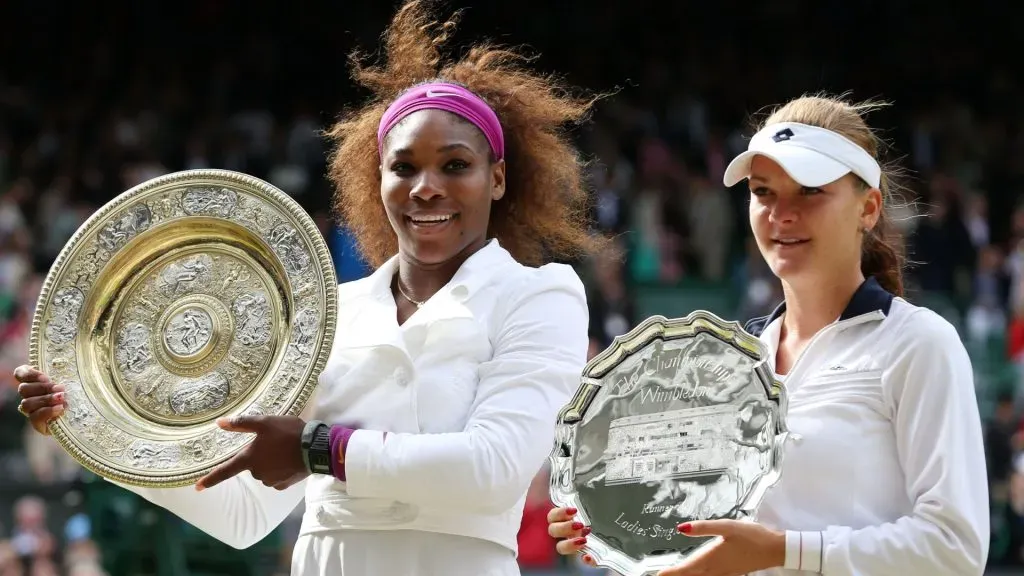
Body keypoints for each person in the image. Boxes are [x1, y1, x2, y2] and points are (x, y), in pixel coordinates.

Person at [13, 1, 606, 574]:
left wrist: (318, 448)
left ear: (497, 179)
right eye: (403, 167)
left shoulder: (541, 293)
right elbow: (244, 513)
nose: (425, 187)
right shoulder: (333, 313)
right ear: (376, 181)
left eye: (455, 165)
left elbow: (494, 468)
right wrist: (100, 434)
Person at [546, 94, 990, 576]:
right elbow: (694, 528)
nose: (782, 213)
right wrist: (608, 522)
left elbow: (956, 548)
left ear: (868, 208)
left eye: (810, 191)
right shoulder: (731, 365)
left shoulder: (919, 343)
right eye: (763, 192)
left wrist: (783, 551)